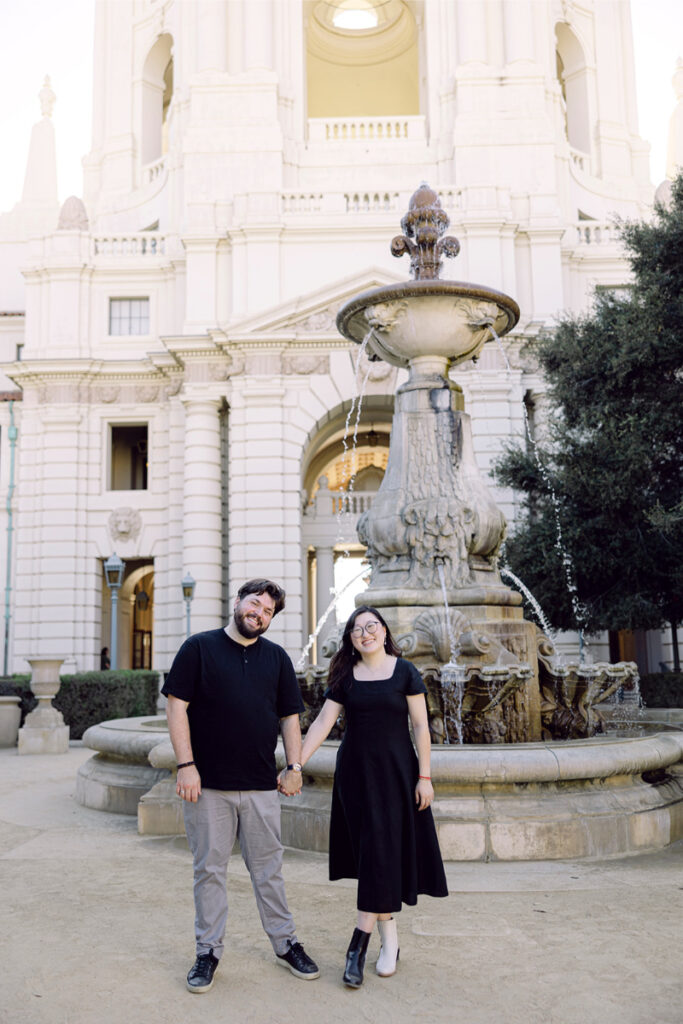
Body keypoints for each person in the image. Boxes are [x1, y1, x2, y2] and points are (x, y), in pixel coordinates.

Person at [162, 579, 320, 994]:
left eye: (268, 611)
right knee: (209, 871)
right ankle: (207, 952)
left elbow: (290, 718)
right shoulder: (198, 648)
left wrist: (295, 766)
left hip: (260, 786)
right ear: (238, 602)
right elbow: (176, 706)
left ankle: (286, 945)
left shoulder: (278, 659)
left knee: (269, 872)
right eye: (255, 604)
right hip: (207, 785)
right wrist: (186, 765)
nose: (259, 614)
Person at [293, 605, 448, 989]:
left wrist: (425, 777)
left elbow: (420, 727)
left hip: (398, 776)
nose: (366, 633)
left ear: (383, 631)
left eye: (372, 626)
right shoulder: (346, 677)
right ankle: (389, 939)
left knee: (382, 852)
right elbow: (323, 724)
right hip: (356, 777)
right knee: (373, 854)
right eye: (357, 629)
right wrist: (295, 765)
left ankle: (357, 946)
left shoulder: (405, 670)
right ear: (350, 639)